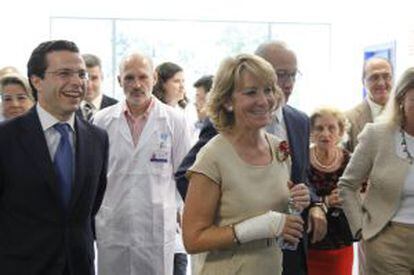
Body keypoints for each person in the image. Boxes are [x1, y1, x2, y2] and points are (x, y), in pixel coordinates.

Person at [175, 41, 326, 275]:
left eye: (268, 90)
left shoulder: (279, 149)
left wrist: (298, 201)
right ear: (227, 101)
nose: (264, 101)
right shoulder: (212, 156)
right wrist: (263, 226)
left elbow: (274, 209)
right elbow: (193, 239)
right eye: (251, 92)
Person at [0, 40, 108, 275]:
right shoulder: (6, 139)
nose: (77, 82)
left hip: (79, 266)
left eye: (81, 74)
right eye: (64, 73)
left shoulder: (97, 139)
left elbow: (90, 208)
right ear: (36, 81)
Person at [93, 52, 192, 275]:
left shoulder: (174, 121)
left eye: (143, 77)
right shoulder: (101, 121)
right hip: (113, 226)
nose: (136, 85)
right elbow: (95, 178)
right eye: (129, 78)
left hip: (156, 228)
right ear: (119, 81)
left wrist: (180, 214)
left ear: (154, 78)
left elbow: (185, 177)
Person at [339, 67, 414, 274]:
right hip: (386, 241)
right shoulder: (377, 135)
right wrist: (360, 229)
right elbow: (347, 185)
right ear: (401, 100)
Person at [307, 107, 353, 275]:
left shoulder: (351, 161)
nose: (325, 133)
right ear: (311, 132)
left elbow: (363, 195)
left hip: (341, 243)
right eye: (319, 128)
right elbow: (291, 202)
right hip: (308, 243)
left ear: (341, 132)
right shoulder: (301, 159)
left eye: (331, 128)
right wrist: (325, 201)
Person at [346, 57, 393, 152]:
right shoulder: (348, 119)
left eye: (386, 76)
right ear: (363, 82)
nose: (381, 83)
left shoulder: (407, 114)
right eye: (374, 77)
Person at [77, 54, 117, 121]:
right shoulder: (67, 108)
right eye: (84, 78)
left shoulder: (116, 108)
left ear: (102, 77)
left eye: (94, 78)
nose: (88, 85)